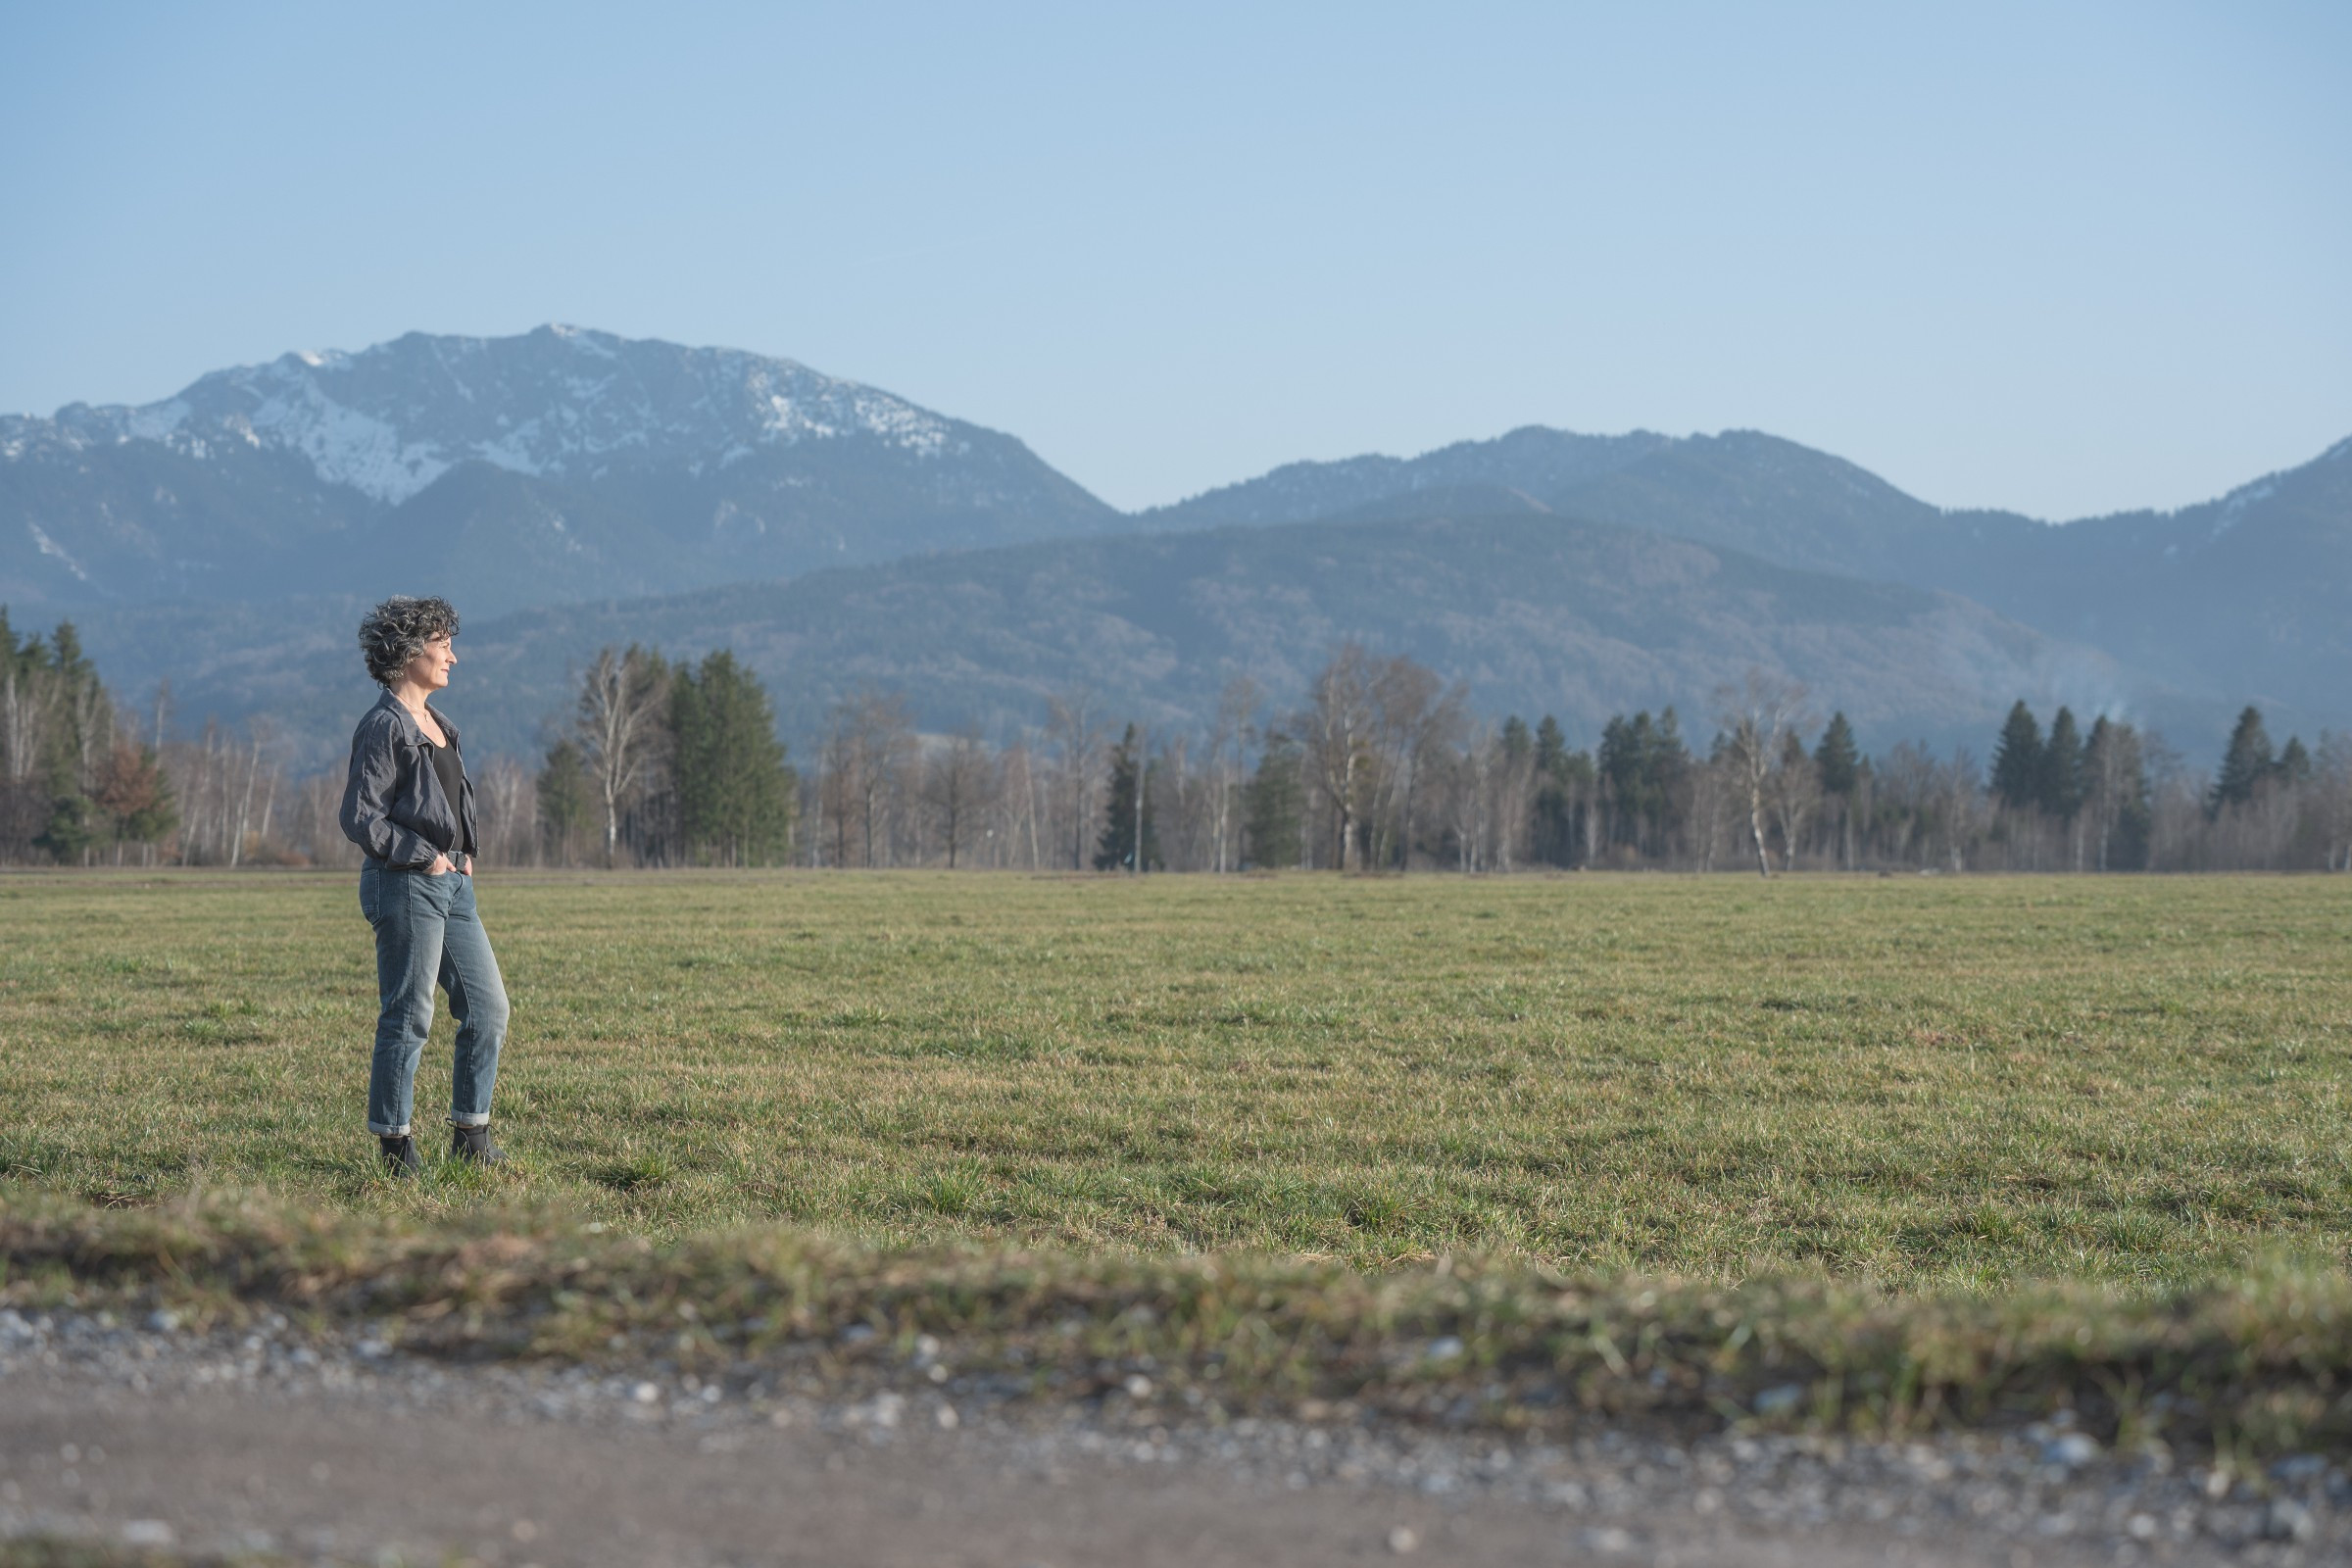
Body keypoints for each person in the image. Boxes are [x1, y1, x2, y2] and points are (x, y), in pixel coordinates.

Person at [338, 595, 511, 1176]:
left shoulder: (442, 726)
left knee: (489, 1008)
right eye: (443, 644)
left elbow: (447, 807)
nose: (453, 658)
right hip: (406, 885)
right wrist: (427, 857)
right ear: (408, 650)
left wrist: (464, 857)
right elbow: (361, 818)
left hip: (454, 888)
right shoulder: (383, 726)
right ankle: (395, 1144)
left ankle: (471, 1132)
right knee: (409, 1014)